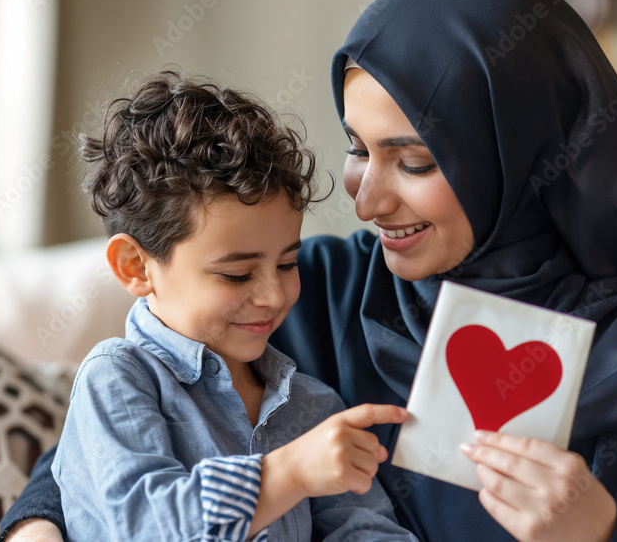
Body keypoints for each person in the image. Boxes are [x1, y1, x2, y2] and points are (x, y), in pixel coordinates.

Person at [0, 0, 617, 540]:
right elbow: (101, 456)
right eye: (359, 150)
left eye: (416, 161)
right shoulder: (308, 293)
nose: (366, 202)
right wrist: (37, 529)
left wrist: (596, 538)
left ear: (519, 157)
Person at [46, 71, 417, 541]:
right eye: (236, 274)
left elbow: (364, 528)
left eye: (287, 264)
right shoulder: (117, 379)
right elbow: (147, 528)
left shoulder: (312, 405)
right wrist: (291, 473)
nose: (274, 295)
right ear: (135, 267)